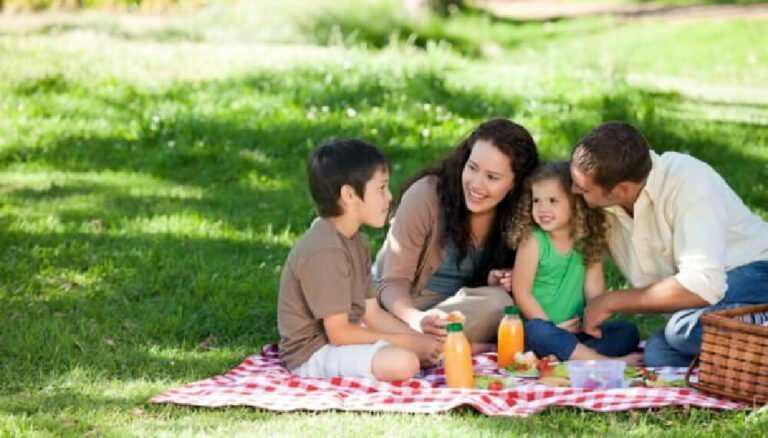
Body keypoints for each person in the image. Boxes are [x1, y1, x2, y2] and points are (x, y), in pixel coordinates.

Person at [569, 121, 768, 366]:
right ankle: (754, 344)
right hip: (705, 302)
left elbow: (702, 284)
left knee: (681, 329)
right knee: (659, 354)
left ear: (621, 189)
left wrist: (612, 300)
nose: (574, 191)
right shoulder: (606, 204)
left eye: (583, 189)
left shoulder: (688, 180)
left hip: (756, 273)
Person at [277, 138, 441, 381]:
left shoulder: (357, 242)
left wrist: (419, 339)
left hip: (346, 338)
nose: (389, 197)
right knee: (404, 362)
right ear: (349, 194)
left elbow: (372, 314)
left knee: (429, 349)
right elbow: (339, 334)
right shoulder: (325, 249)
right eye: (381, 188)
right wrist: (410, 344)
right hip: (313, 353)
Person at [374, 118, 540, 352]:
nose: (476, 184)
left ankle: (416, 346)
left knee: (500, 303)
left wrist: (503, 279)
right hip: (403, 305)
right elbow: (391, 282)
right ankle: (448, 346)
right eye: (472, 168)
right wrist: (416, 320)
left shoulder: (522, 216)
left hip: (459, 312)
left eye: (492, 177)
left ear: (515, 183)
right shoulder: (426, 195)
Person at [505, 161, 641, 364]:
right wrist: (552, 327)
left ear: (575, 202)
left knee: (627, 332)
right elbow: (521, 293)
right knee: (537, 331)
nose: (542, 208)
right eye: (536, 201)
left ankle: (569, 356)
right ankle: (603, 362)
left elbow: (594, 292)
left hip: (576, 332)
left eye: (552, 200)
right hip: (542, 332)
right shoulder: (533, 241)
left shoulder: (588, 240)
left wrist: (591, 322)